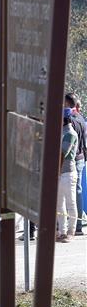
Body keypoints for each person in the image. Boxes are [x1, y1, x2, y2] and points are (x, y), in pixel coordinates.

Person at [65, 93, 86, 235]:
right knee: (76, 190)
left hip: (72, 158)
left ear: (66, 103)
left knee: (73, 192)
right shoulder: (81, 118)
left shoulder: (70, 120)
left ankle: (76, 224)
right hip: (81, 157)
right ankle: (77, 223)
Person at [57, 109, 79, 242]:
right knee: (59, 204)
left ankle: (71, 231)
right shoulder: (61, 132)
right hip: (61, 173)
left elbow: (62, 154)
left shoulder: (70, 133)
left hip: (67, 173)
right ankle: (62, 231)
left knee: (71, 203)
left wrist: (56, 171)